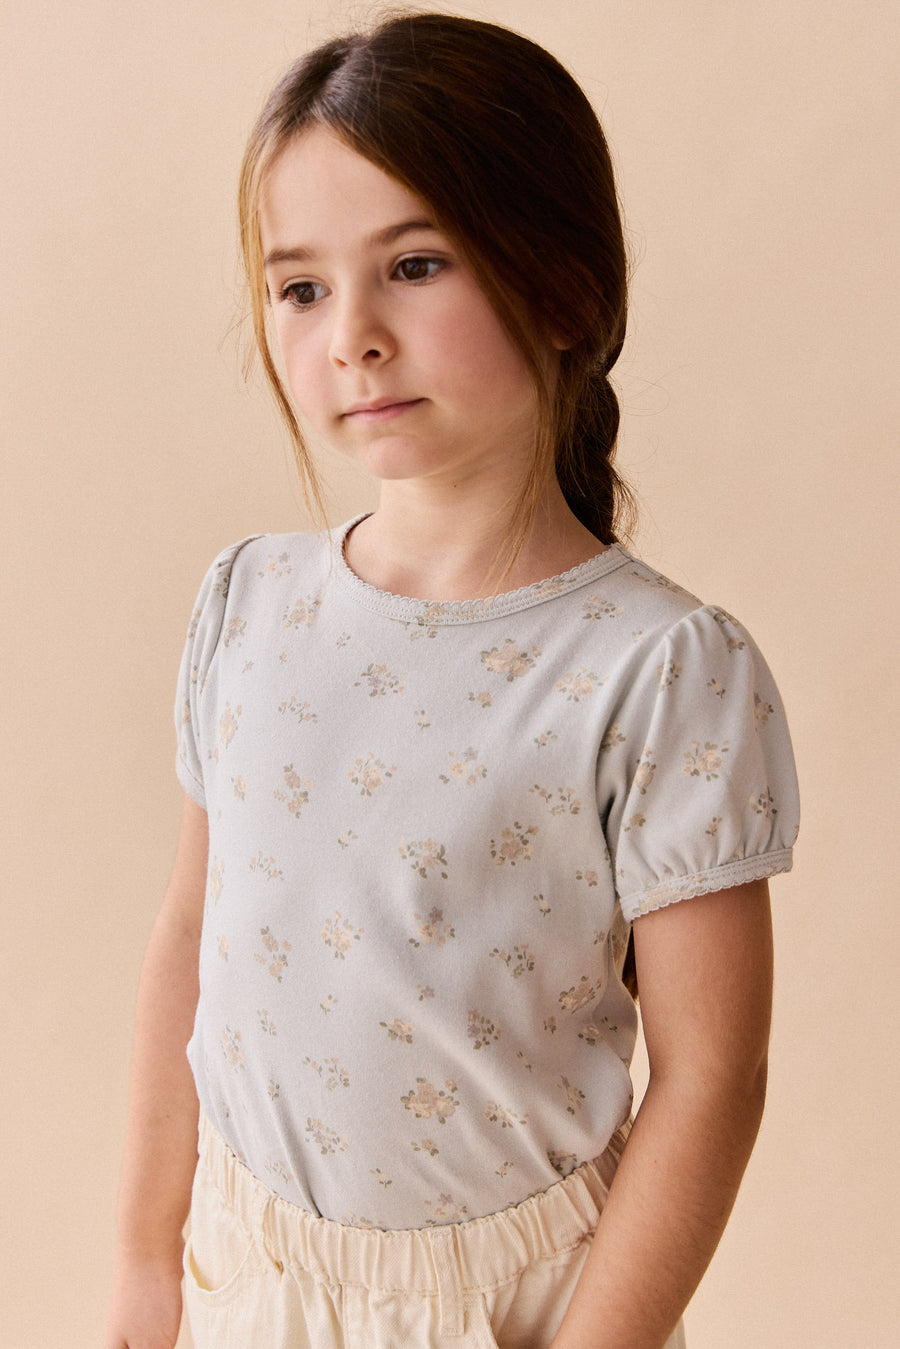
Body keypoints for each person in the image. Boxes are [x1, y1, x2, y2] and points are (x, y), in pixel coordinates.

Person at [106, 13, 799, 1348]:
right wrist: (146, 1260)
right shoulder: (248, 605)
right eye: (301, 289)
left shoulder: (659, 669)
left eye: (414, 266)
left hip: (520, 1312)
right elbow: (189, 939)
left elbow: (713, 1075)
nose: (352, 335)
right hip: (245, 1282)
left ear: (563, 290)